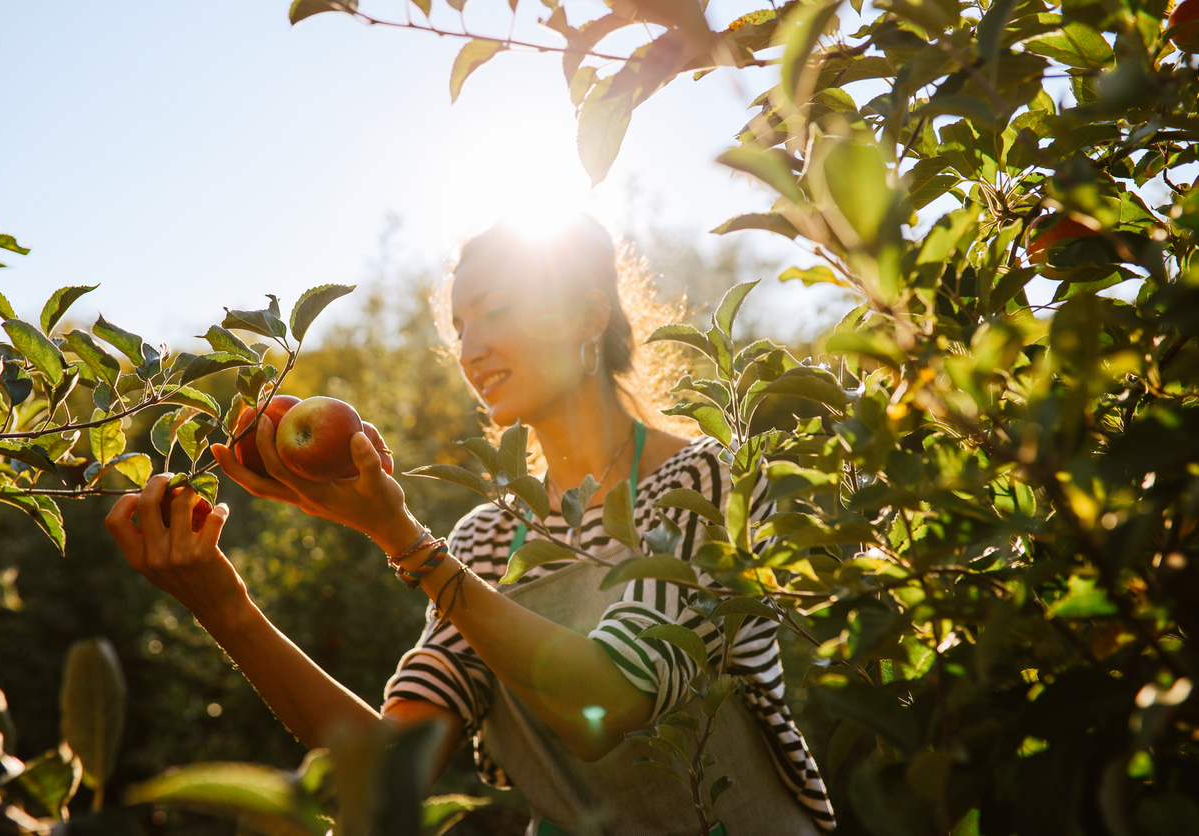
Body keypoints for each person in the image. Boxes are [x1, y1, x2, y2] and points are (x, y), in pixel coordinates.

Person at [105, 213, 835, 835]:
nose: (470, 347)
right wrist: (223, 606)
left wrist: (404, 541)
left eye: (497, 310)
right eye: (460, 325)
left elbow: (608, 703)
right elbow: (388, 774)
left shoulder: (702, 481)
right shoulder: (489, 541)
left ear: (588, 315)